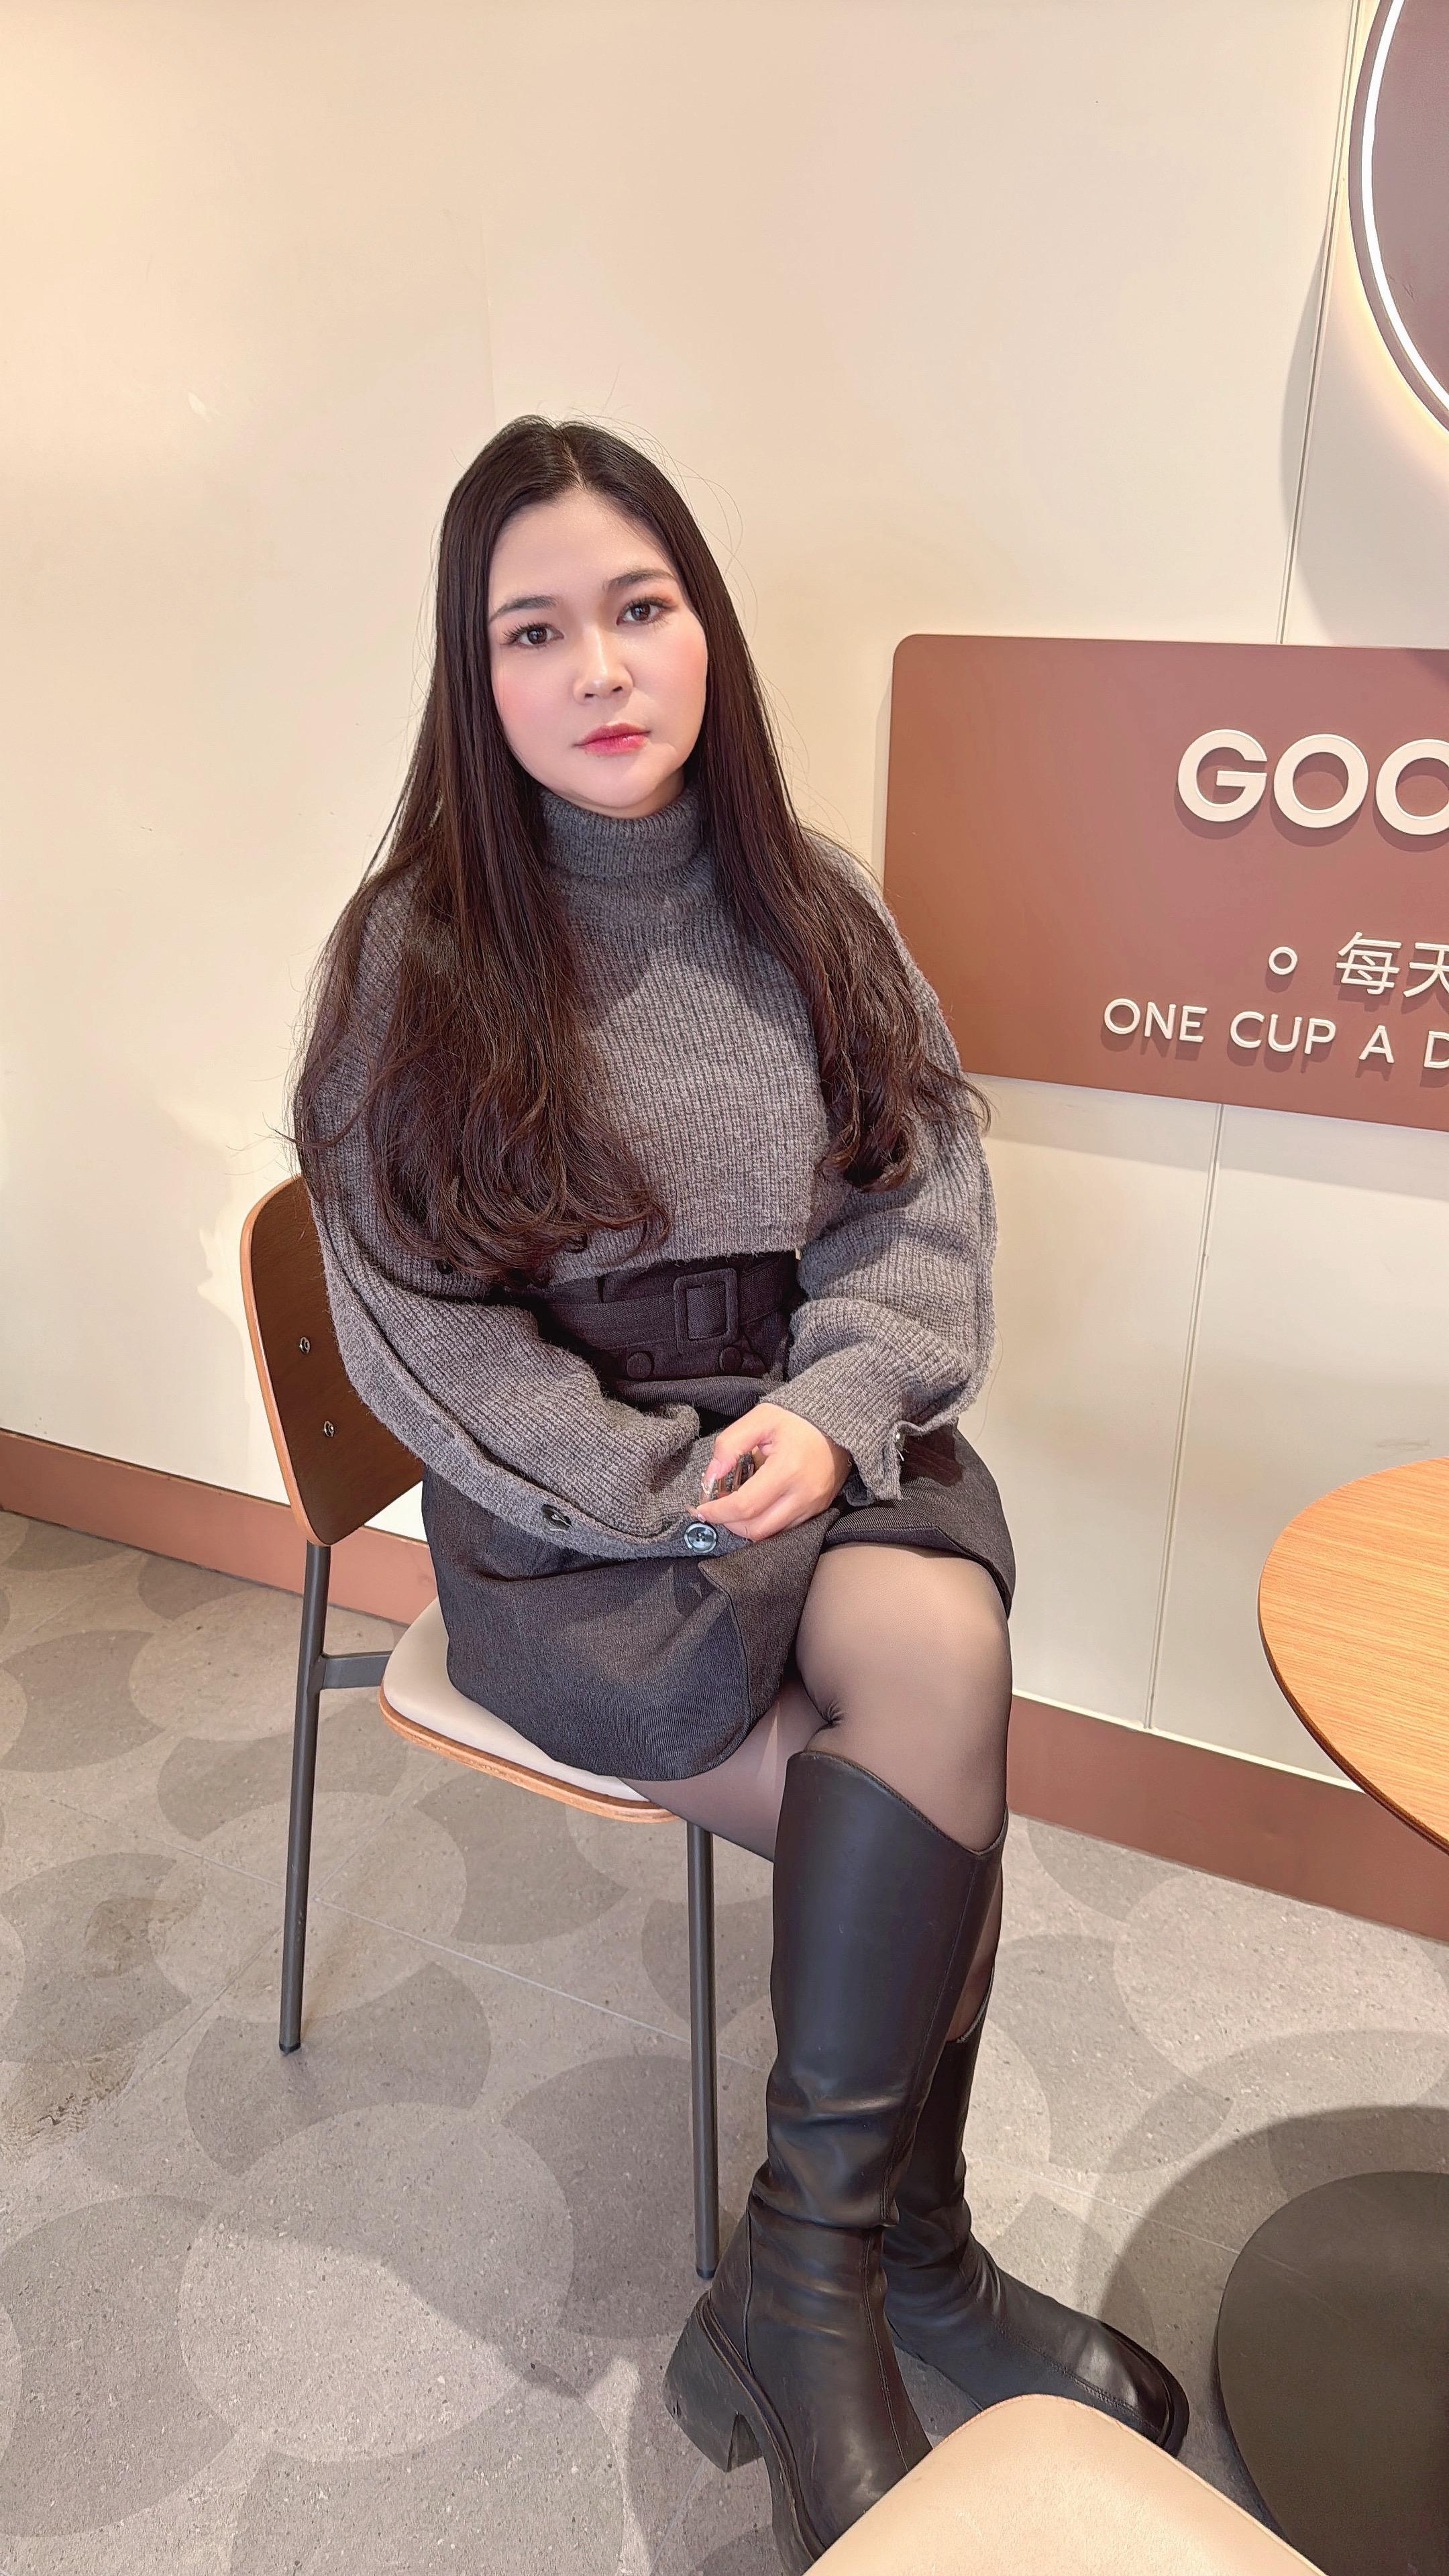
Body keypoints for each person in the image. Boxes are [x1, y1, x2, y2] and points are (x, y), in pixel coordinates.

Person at [292, 416, 1187, 2571]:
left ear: (707, 627)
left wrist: (847, 1399)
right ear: (472, 670)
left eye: (640, 606)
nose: (600, 667)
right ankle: (879, 2272)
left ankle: (834, 2275)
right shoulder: (414, 953)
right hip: (573, 1520)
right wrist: (651, 1479)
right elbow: (417, 1325)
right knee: (933, 1796)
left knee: (940, 1654)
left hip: (808, 1439)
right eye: (535, 630)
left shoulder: (812, 901)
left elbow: (920, 1196)